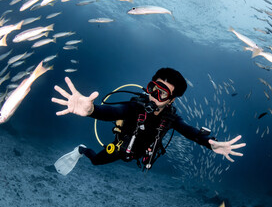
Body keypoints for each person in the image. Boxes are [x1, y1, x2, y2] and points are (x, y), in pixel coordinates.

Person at [51, 68, 246, 175]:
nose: (154, 96)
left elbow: (190, 132)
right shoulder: (136, 107)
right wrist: (91, 110)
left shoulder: (171, 118)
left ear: (171, 100)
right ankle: (81, 149)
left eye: (162, 94)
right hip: (121, 148)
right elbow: (112, 111)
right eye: (153, 88)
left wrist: (211, 144)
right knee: (95, 161)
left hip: (140, 153)